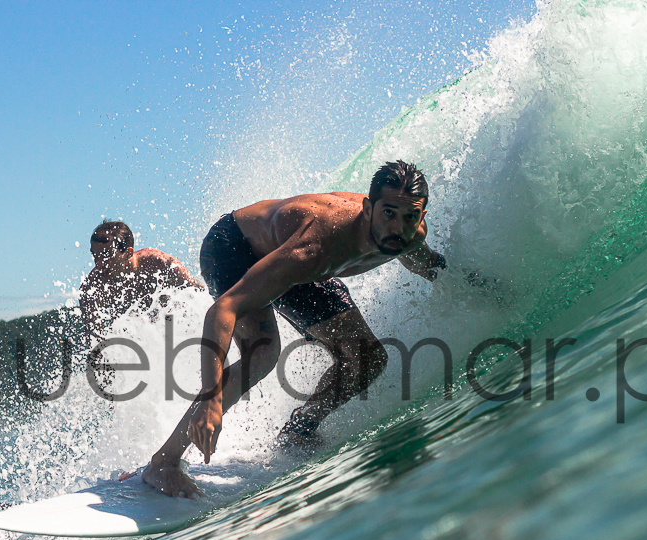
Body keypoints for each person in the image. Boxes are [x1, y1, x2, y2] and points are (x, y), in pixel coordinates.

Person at [144, 160, 447, 498]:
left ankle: (299, 430)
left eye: (410, 217)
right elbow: (223, 309)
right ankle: (163, 463)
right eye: (388, 214)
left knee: (367, 358)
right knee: (262, 353)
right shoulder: (316, 248)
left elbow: (425, 262)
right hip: (234, 247)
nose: (398, 228)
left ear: (421, 216)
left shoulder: (409, 234)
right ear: (367, 209)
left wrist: (468, 282)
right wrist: (210, 398)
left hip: (295, 263)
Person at [79, 221, 203, 343]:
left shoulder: (160, 264)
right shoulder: (92, 289)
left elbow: (200, 294)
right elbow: (95, 343)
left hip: (176, 331)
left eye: (107, 255)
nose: (99, 264)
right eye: (95, 255)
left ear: (128, 253)